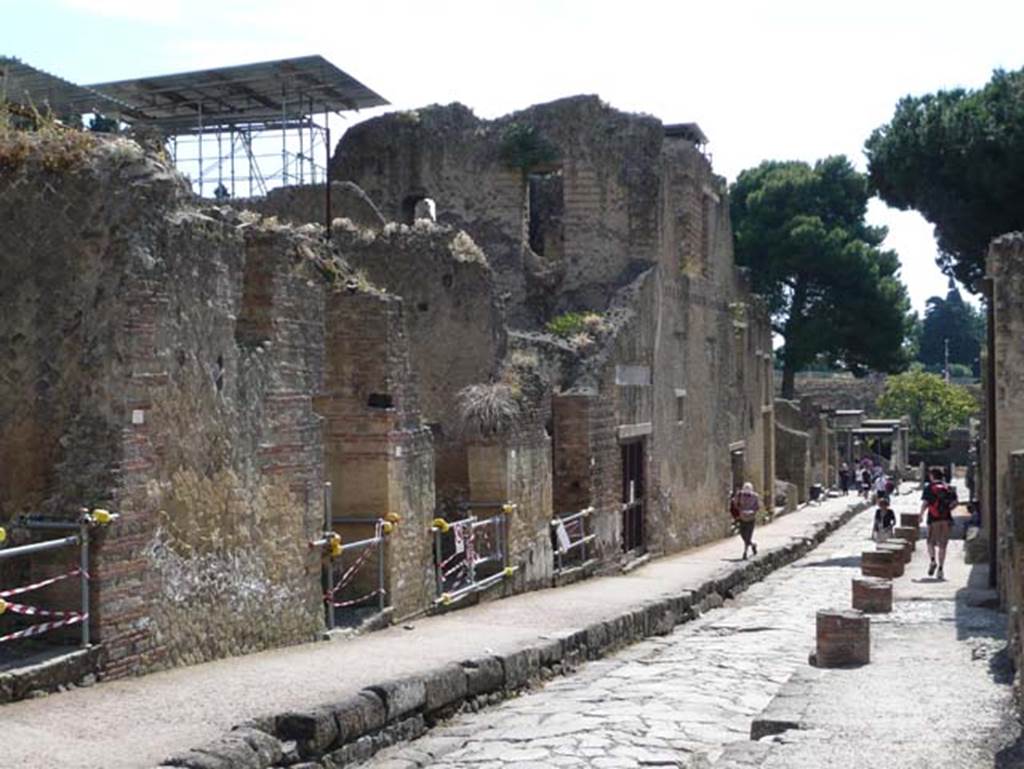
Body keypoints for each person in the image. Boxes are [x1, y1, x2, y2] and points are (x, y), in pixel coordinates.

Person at [920, 466, 958, 580]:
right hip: (946, 519)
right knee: (943, 545)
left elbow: (925, 503)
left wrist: (920, 515)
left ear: (932, 476)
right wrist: (947, 510)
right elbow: (955, 503)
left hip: (933, 519)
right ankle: (941, 569)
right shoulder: (949, 488)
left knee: (930, 542)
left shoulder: (929, 488)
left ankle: (932, 561)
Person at [730, 482, 760, 560]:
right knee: (742, 534)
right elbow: (735, 504)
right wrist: (740, 510)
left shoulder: (755, 497)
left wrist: (752, 511)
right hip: (742, 518)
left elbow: (757, 507)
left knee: (748, 535)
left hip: (751, 519)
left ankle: (745, 552)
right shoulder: (739, 495)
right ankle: (753, 545)